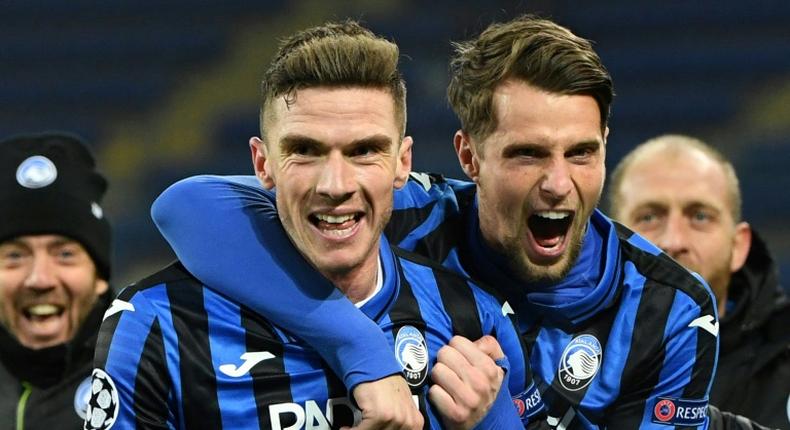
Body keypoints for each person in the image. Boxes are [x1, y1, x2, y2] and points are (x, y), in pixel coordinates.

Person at [153, 15, 720, 428]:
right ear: (469, 157)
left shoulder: (671, 313)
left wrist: (493, 421)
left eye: (580, 153)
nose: (556, 182)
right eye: (526, 154)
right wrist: (365, 356)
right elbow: (188, 207)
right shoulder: (403, 213)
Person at [86, 21, 543, 430]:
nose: (335, 184)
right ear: (263, 164)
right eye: (305, 149)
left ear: (402, 164)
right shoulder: (158, 322)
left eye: (364, 150)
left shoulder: (471, 317)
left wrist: (495, 422)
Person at [608, 134, 790, 429]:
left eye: (700, 216)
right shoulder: (555, 354)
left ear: (739, 246)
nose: (673, 241)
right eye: (650, 217)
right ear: (610, 240)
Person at [0, 132, 113, 429]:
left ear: (99, 275)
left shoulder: (154, 378)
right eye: (14, 256)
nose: (39, 279)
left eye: (64, 254)